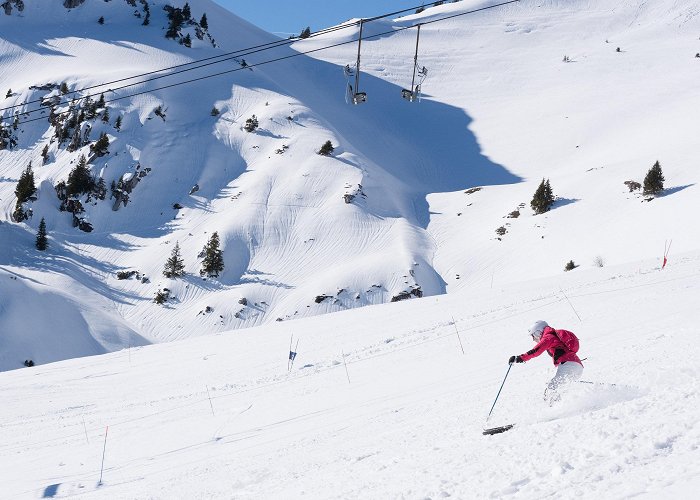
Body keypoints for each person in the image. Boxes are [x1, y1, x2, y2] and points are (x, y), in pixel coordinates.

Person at [509, 320, 583, 403]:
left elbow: (536, 350)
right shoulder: (552, 336)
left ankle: (553, 410)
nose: (533, 339)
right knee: (558, 390)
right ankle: (563, 406)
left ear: (538, 332)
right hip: (576, 366)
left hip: (568, 365)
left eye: (533, 335)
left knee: (551, 389)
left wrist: (520, 358)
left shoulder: (548, 337)